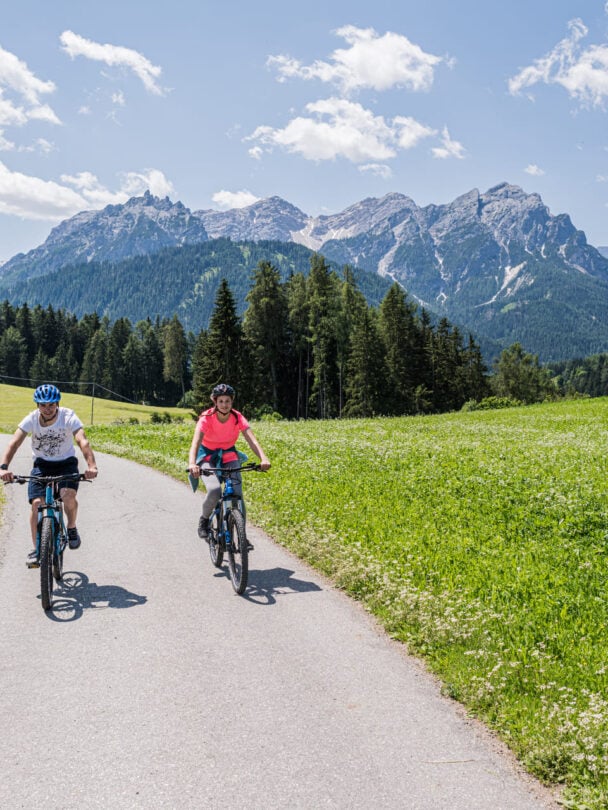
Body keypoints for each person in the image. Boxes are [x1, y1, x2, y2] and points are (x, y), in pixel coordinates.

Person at [0, 383, 98, 567]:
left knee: (67, 496)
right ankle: (38, 549)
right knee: (37, 504)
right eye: (43, 405)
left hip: (66, 464)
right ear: (37, 405)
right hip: (42, 465)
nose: (47, 409)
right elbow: (14, 442)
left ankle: (71, 527)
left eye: (51, 404)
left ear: (57, 404)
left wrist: (92, 466)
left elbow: (83, 441)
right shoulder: (32, 419)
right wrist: (3, 467)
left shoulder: (68, 416)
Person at [188, 383, 271, 542]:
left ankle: (241, 535)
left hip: (229, 455)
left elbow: (252, 441)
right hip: (207, 456)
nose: (224, 404)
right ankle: (204, 520)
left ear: (232, 402)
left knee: (237, 494)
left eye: (227, 401)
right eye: (221, 401)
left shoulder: (237, 417)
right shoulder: (206, 418)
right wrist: (193, 463)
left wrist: (263, 458)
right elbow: (195, 443)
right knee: (214, 491)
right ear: (215, 402)